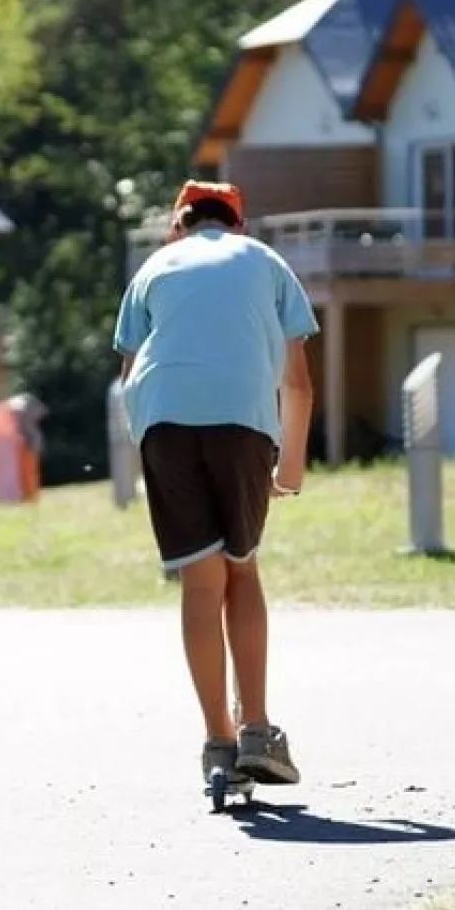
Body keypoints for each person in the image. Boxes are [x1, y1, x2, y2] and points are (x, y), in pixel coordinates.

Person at [113, 180, 316, 791]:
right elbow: (298, 383)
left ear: (178, 225)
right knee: (242, 569)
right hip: (242, 424)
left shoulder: (153, 268)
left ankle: (219, 748)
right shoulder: (267, 262)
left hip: (164, 426)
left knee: (201, 584)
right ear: (239, 224)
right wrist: (292, 470)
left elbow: (130, 378)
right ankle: (257, 729)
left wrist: (153, 453)